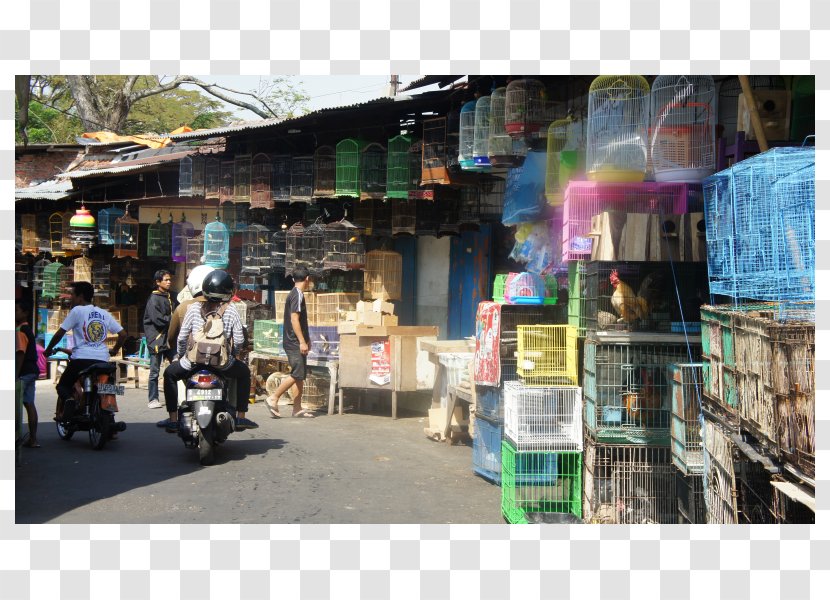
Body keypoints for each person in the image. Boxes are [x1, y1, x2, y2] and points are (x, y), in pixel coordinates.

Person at [160, 270, 258, 431]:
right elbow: (239, 340)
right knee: (244, 373)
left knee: (169, 374)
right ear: (228, 291)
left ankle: (172, 419)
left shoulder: (193, 308)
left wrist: (181, 355)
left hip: (192, 362)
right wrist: (232, 356)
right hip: (222, 364)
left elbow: (182, 338)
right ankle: (241, 417)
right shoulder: (231, 310)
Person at [44, 281, 127, 421]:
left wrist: (48, 350)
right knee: (107, 387)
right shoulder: (104, 313)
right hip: (103, 360)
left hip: (81, 360)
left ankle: (70, 400)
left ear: (80, 296)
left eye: (72, 295)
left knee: (62, 386)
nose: (70, 298)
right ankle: (111, 424)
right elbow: (123, 334)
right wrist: (114, 350)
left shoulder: (77, 311)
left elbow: (59, 334)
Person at [265, 266, 316, 418]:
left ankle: (297, 408)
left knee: (300, 374)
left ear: (294, 279)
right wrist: (301, 341)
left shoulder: (294, 293)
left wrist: (306, 339)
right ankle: (274, 397)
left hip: (294, 340)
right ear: (307, 279)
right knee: (297, 373)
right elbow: (295, 319)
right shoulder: (297, 295)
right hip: (294, 341)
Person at [144, 269, 175, 409]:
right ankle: (153, 399)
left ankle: (178, 398)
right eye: (166, 280)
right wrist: (173, 319)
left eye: (169, 279)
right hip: (156, 339)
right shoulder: (153, 299)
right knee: (155, 372)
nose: (169, 282)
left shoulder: (169, 296)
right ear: (158, 282)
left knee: (177, 366)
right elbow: (158, 320)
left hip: (168, 339)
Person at [16, 298, 40, 448]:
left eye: (16, 311)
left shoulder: (21, 331)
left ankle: (18, 437)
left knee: (18, 405)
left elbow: (20, 353)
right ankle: (33, 439)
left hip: (24, 372)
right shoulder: (28, 329)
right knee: (29, 403)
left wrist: (15, 375)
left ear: (24, 313)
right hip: (32, 371)